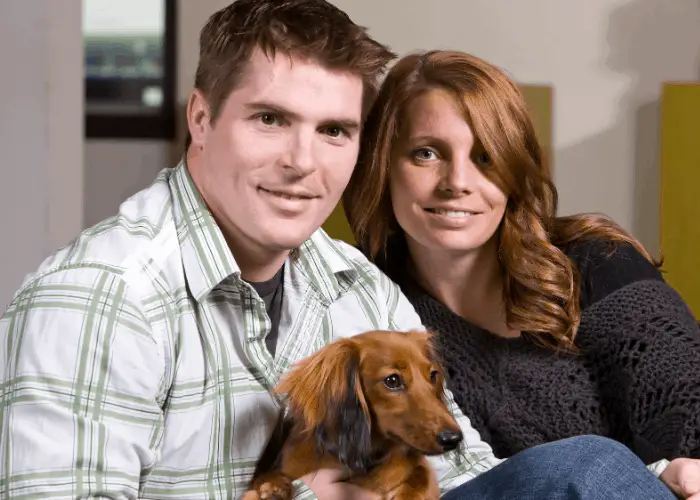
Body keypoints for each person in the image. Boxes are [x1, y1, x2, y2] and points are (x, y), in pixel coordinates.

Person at [0, 1, 682, 498]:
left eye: (333, 130)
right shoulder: (100, 296)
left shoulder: (352, 282)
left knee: (587, 470)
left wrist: (646, 478)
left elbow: (461, 472)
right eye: (271, 119)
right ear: (202, 118)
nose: (303, 162)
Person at [344, 48, 700, 499]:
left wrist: (683, 470)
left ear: (514, 172)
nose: (457, 182)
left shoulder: (596, 264)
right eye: (427, 153)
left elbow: (687, 403)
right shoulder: (356, 300)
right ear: (382, 165)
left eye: (487, 157)